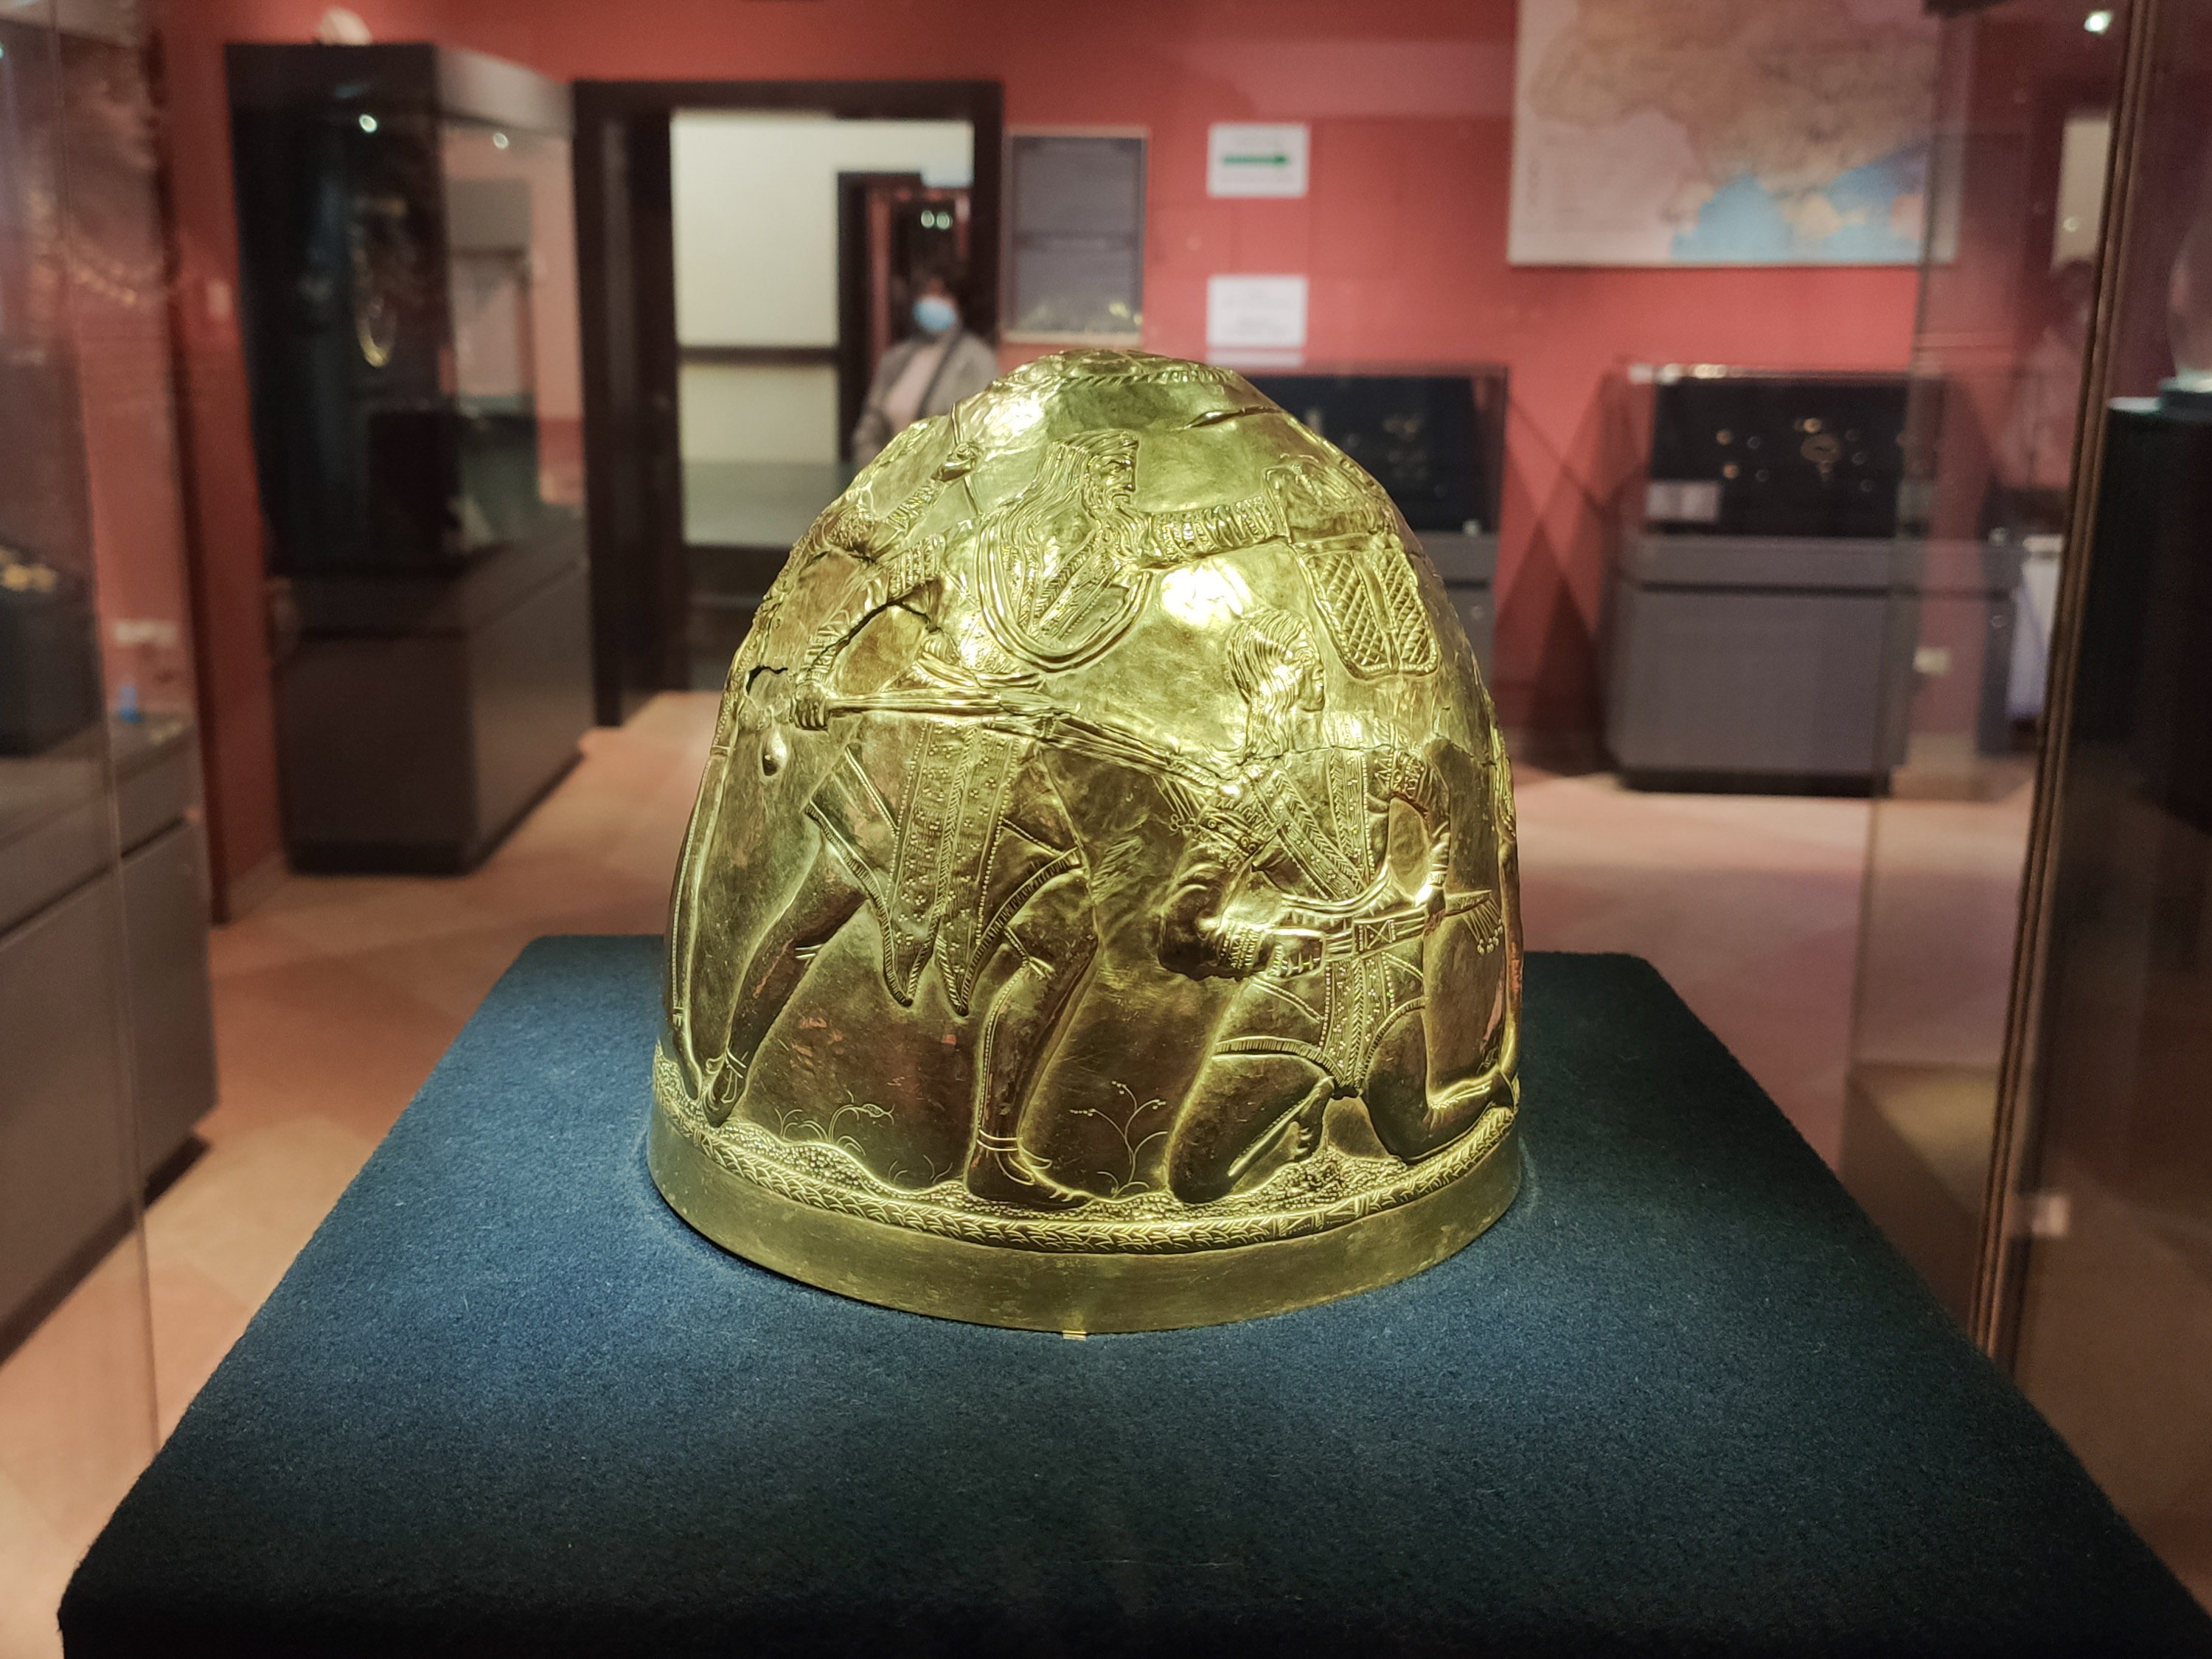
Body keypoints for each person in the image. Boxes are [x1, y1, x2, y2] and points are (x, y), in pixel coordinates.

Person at [849, 266, 998, 465]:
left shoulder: (978, 361)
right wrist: (876, 475)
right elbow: (870, 427)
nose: (931, 301)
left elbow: (982, 435)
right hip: (887, 486)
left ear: (960, 302)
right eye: (926, 292)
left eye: (942, 294)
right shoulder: (896, 358)